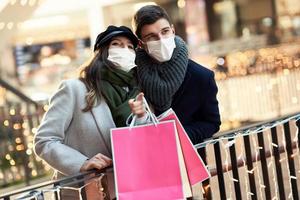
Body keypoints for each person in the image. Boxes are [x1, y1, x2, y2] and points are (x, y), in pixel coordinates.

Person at [34, 25, 139, 200]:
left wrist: (141, 118)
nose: (125, 50)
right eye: (117, 44)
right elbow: (44, 141)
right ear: (103, 51)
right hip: (85, 192)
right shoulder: (74, 89)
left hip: (130, 190)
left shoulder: (137, 93)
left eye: (130, 47)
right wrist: (81, 163)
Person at [129, 5, 221, 144]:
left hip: (187, 159)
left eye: (165, 31)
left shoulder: (202, 76)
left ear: (173, 30)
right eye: (151, 36)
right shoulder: (133, 75)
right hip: (147, 158)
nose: (160, 39)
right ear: (141, 44)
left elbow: (212, 123)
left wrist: (177, 136)